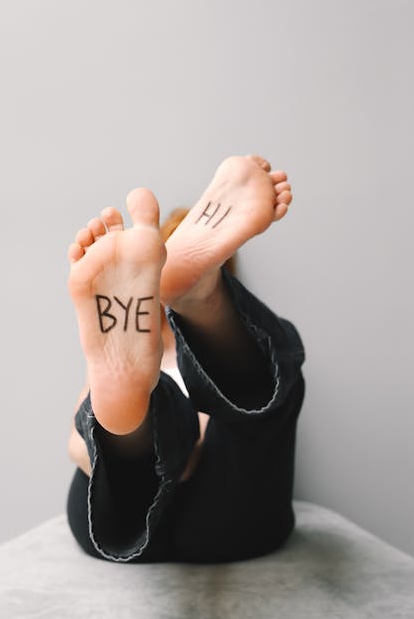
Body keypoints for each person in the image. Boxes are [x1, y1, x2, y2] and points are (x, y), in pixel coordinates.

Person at [66, 154, 305, 563]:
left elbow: (73, 442)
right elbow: (78, 445)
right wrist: (157, 460)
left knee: (235, 405)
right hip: (213, 525)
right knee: (144, 415)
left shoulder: (135, 345)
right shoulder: (130, 345)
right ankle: (135, 430)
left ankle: (201, 304)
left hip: (136, 524)